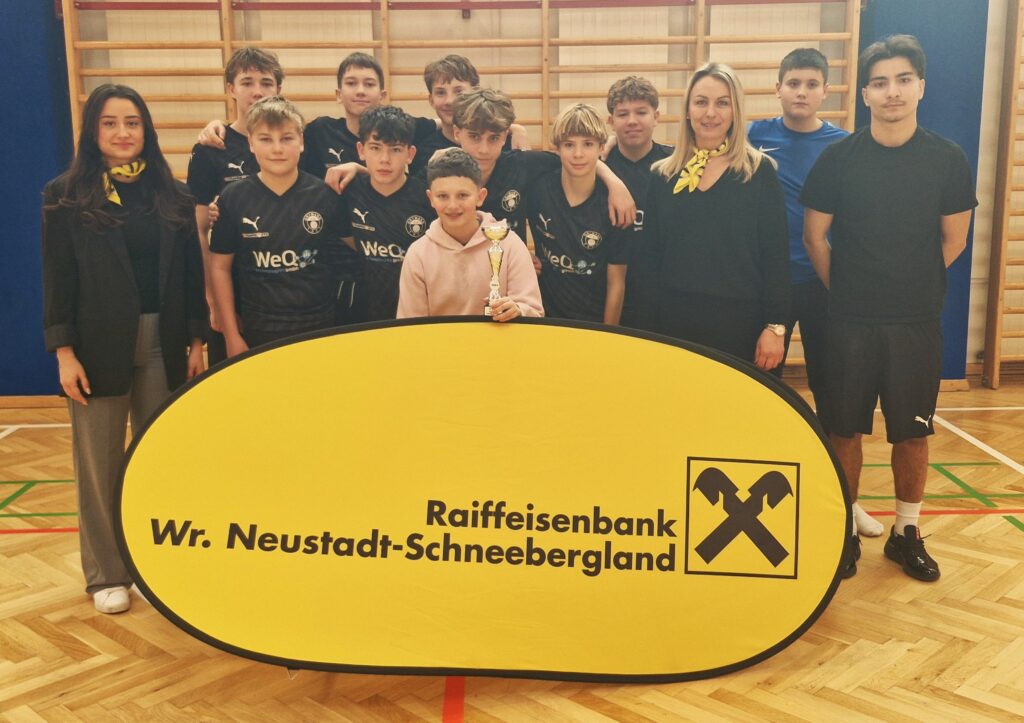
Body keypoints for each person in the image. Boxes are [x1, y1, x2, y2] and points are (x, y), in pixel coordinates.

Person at [802, 35, 977, 581]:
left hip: (915, 323)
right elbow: (814, 237)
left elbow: (955, 239)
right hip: (849, 320)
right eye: (880, 82)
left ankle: (906, 533)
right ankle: (844, 533)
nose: (892, 91)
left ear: (920, 87)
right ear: (864, 94)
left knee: (912, 432)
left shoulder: (947, 160)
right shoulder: (838, 160)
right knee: (843, 430)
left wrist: (909, 285)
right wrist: (848, 291)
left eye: (903, 80)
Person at [42, 84, 207, 614]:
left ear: (146, 129)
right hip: (96, 347)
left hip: (165, 341)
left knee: (160, 458)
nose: (122, 133)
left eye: (132, 122)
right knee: (99, 465)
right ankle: (106, 574)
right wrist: (64, 352)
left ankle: (155, 569)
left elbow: (191, 274)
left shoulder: (173, 194)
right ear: (93, 130)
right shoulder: (64, 195)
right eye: (110, 123)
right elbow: (58, 280)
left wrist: (197, 339)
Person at [748, 50, 878, 537]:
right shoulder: (753, 135)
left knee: (838, 400)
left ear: (826, 90)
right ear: (778, 88)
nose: (801, 92)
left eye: (810, 84)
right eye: (793, 83)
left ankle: (845, 502)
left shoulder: (843, 146)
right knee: (763, 395)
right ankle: (762, 502)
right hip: (768, 289)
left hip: (825, 285)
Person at [638, 62, 789, 371]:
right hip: (673, 322)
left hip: (741, 324)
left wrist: (775, 326)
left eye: (722, 103)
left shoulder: (759, 173)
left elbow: (776, 256)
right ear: (687, 110)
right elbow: (648, 259)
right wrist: (645, 328)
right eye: (701, 102)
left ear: (735, 111)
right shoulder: (662, 176)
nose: (710, 113)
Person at [209, 97, 347, 355]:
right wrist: (231, 335)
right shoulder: (233, 197)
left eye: (286, 138)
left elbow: (355, 246)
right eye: (265, 139)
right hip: (259, 330)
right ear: (251, 143)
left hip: (320, 327)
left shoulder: (325, 195)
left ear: (301, 142)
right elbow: (219, 267)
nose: (277, 149)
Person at [187, 47, 283, 365]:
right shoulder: (210, 149)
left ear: (278, 89)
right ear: (231, 88)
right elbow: (199, 231)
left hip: (282, 292)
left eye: (266, 83)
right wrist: (213, 301)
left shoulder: (292, 144)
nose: (257, 91)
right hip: (231, 288)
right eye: (247, 82)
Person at [397, 149, 543, 319]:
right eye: (442, 196)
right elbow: (410, 325)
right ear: (431, 199)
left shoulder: (509, 243)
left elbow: (534, 311)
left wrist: (517, 310)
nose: (452, 205)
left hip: (499, 337)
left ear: (480, 197)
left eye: (462, 195)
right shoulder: (418, 254)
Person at [527, 103, 631, 324]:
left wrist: (607, 333)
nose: (578, 154)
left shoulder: (614, 205)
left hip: (593, 322)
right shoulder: (538, 190)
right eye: (569, 144)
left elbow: (616, 282)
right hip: (545, 319)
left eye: (588, 144)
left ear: (601, 148)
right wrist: (521, 257)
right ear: (557, 148)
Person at [341, 106, 435, 320]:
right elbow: (348, 238)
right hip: (366, 310)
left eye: (395, 149)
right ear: (361, 150)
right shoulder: (348, 191)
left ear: (410, 154)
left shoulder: (427, 198)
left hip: (417, 310)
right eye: (375, 148)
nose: (384, 159)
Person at [602, 76, 674, 326]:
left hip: (664, 295)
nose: (632, 121)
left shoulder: (676, 165)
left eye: (641, 112)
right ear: (611, 121)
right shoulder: (598, 166)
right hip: (609, 294)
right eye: (623, 114)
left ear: (656, 116)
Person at [411, 55, 529, 175]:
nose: (449, 101)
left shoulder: (507, 143)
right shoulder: (422, 150)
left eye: (459, 91)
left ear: (474, 92)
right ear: (431, 100)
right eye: (440, 92)